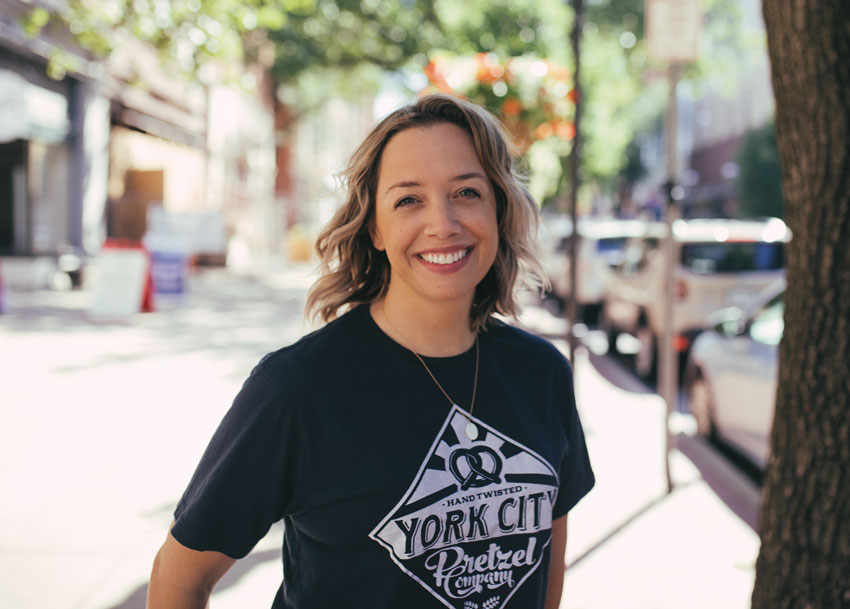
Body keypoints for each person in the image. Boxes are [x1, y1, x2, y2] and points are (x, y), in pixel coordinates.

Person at [146, 94, 594, 609]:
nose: (443, 223)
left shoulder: (541, 374)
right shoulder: (298, 389)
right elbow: (180, 576)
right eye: (408, 200)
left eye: (467, 192)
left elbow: (547, 558)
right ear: (375, 227)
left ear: (498, 208)